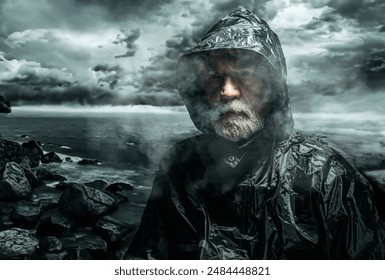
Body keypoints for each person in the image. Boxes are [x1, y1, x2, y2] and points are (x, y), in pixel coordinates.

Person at [125, 6, 385, 260]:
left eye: (245, 75)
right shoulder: (180, 163)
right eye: (215, 78)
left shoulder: (326, 173)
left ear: (272, 86)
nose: (227, 91)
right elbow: (149, 257)